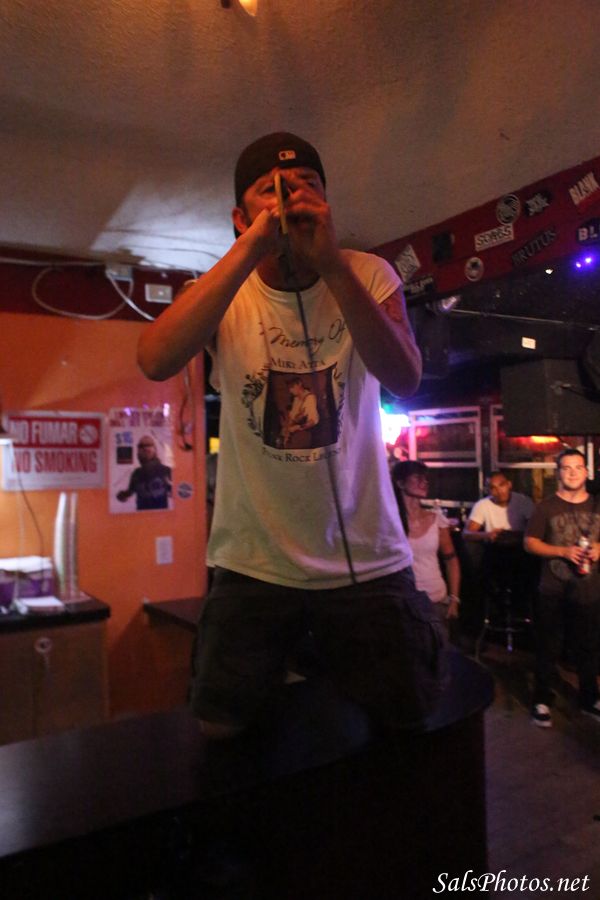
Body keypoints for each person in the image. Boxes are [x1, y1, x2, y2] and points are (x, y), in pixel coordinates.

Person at [137, 131, 445, 738]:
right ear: (239, 216)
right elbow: (154, 358)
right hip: (253, 562)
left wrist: (330, 264)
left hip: (367, 560)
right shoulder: (223, 289)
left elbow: (405, 377)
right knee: (221, 727)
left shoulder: (367, 273)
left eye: (308, 184)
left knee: (403, 719)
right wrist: (251, 248)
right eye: (272, 189)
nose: (292, 196)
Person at [524, 448, 600, 727]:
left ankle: (589, 699)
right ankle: (542, 700)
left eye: (577, 467)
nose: (572, 473)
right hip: (552, 588)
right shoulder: (546, 507)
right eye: (566, 468)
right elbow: (529, 543)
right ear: (558, 473)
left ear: (586, 472)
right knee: (548, 646)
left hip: (589, 589)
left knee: (589, 647)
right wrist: (563, 551)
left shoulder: (597, 504)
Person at [392, 460, 461, 634]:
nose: (424, 482)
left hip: (436, 599)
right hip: (404, 602)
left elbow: (451, 560)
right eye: (418, 478)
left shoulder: (435, 518)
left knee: (440, 648)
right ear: (400, 483)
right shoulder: (391, 522)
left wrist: (454, 598)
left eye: (425, 478)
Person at [463, 471, 534, 544]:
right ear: (488, 490)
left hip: (520, 545)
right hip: (494, 546)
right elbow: (466, 534)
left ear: (509, 484)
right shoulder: (482, 505)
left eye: (502, 485)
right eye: (493, 488)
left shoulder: (523, 501)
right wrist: (488, 534)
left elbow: (535, 530)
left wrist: (514, 535)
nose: (499, 491)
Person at [116, 435, 172, 510]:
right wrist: (123, 495)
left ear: (155, 450)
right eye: (142, 446)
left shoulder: (166, 470)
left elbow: (177, 491)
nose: (145, 449)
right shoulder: (137, 473)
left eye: (148, 445)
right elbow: (130, 492)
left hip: (160, 515)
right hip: (143, 514)